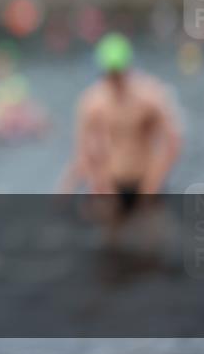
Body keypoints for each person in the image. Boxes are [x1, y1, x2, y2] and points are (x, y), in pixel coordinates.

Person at [58, 33, 183, 222]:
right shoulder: (92, 102)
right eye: (110, 73)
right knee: (109, 241)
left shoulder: (151, 97)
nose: (115, 78)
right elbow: (84, 153)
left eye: (119, 72)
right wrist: (96, 185)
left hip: (145, 181)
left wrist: (151, 186)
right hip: (111, 184)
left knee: (151, 243)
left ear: (129, 67)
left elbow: (173, 142)